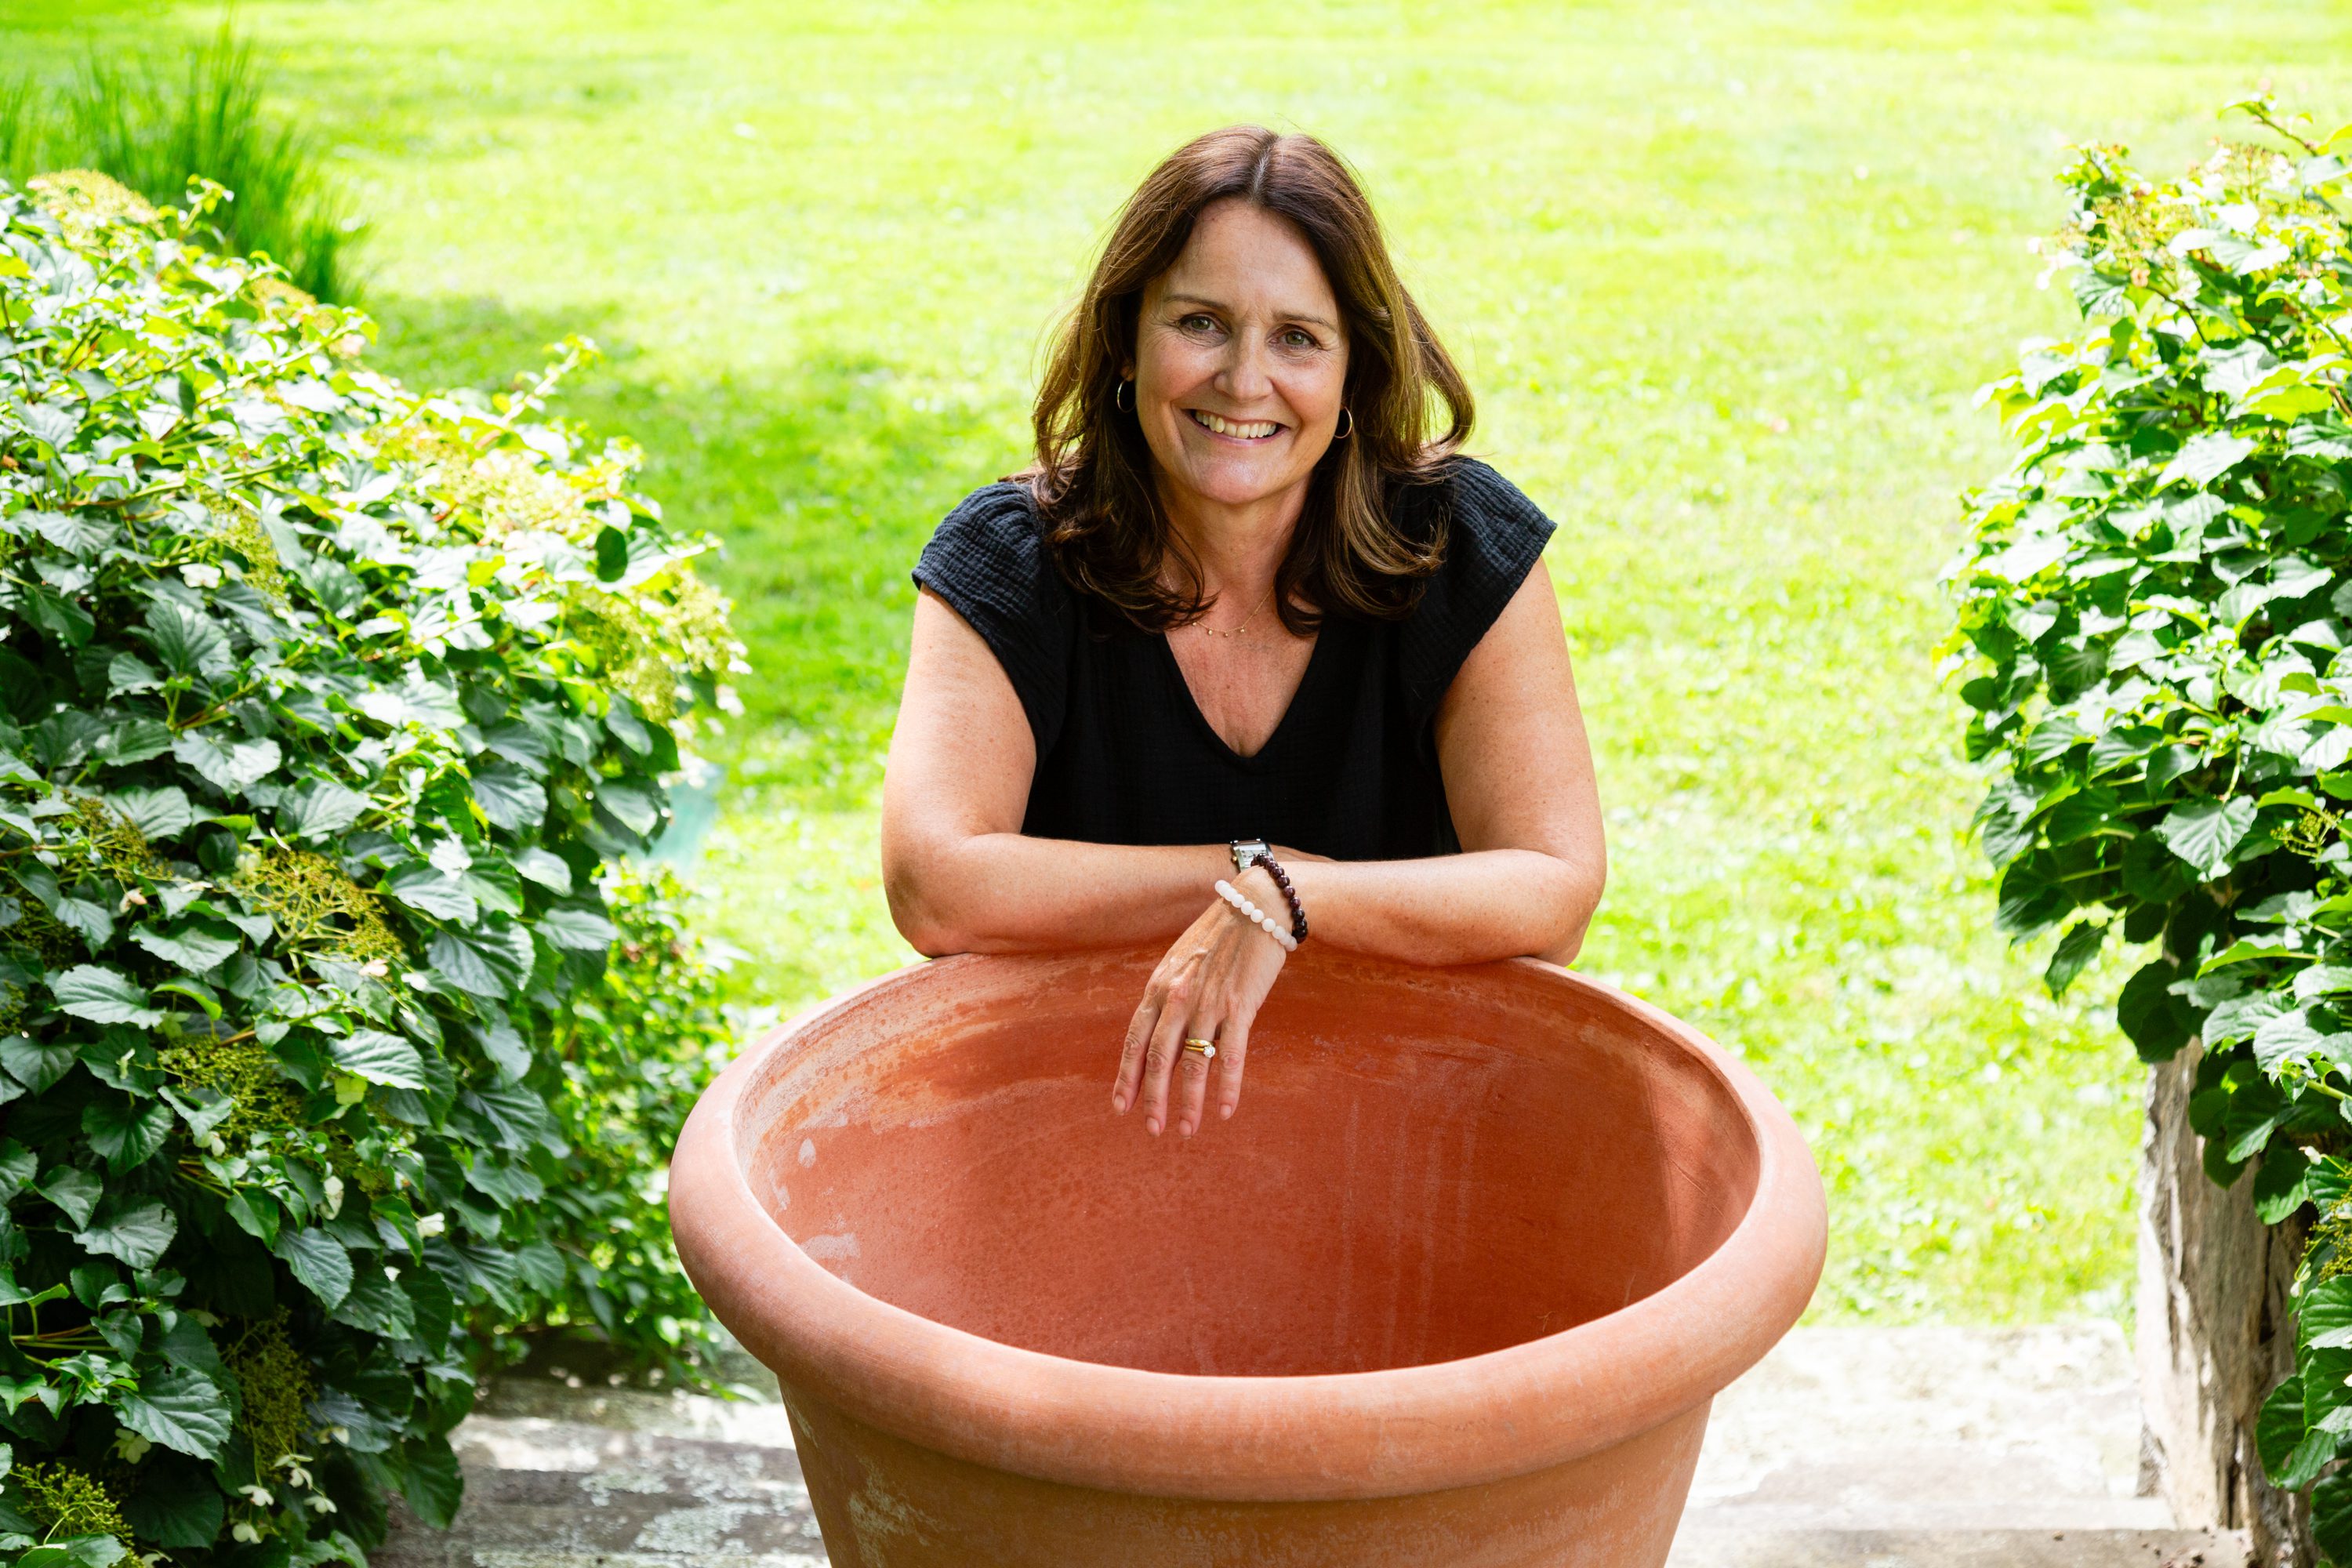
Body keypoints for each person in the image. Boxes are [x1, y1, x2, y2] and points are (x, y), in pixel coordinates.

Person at [880, 125, 1604, 1145]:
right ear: (1129, 335)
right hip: (1076, 1120)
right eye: (1202, 323)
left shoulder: (1455, 544)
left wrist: (1292, 896)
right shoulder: (1013, 562)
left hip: (1406, 1125)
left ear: (1356, 372)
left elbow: (1554, 885)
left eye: (1299, 338)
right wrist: (1252, 874)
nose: (1244, 379)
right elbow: (936, 883)